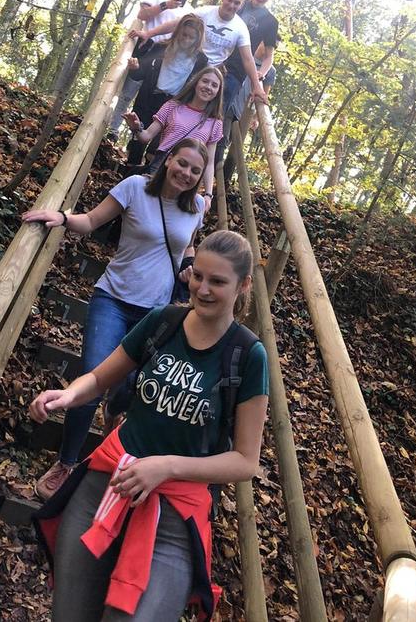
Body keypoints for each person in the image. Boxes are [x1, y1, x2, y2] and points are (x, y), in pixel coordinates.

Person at [29, 230, 269, 622]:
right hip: (107, 483)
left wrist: (165, 467)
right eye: (197, 276)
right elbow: (100, 377)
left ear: (243, 285)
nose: (202, 289)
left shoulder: (247, 355)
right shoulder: (163, 322)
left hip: (175, 511)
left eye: (217, 281)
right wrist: (68, 395)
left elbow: (245, 461)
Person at [22, 138, 208, 500]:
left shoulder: (196, 206)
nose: (186, 173)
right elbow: (93, 220)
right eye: (182, 163)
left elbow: (188, 245)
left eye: (195, 170)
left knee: (135, 384)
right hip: (114, 298)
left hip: (156, 312)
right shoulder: (135, 187)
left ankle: (115, 408)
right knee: (93, 374)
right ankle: (66, 463)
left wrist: (189, 266)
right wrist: (62, 218)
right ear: (169, 159)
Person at [131, 0, 268, 112]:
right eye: (229, 0)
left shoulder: (240, 28)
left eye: (237, 3)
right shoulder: (205, 12)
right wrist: (149, 33)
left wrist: (256, 86)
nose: (232, 5)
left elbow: (247, 59)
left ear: (241, 5)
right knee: (167, 100)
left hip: (210, 73)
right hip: (189, 67)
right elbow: (177, 23)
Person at [107, 0, 197, 140]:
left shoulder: (189, 11)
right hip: (145, 46)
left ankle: (135, 139)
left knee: (147, 99)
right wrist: (166, 5)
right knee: (128, 92)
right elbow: (142, 15)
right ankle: (112, 130)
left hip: (164, 57)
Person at [123, 66, 224, 214]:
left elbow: (209, 162)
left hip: (189, 176)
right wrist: (137, 127)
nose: (208, 87)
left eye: (214, 85)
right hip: (161, 166)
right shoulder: (172, 106)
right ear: (196, 82)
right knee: (144, 210)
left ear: (218, 92)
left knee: (172, 216)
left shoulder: (215, 123)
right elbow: (146, 136)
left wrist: (208, 195)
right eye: (205, 81)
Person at [125, 14, 208, 168]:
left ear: (197, 40)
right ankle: (128, 172)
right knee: (138, 141)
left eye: (191, 37)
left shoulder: (200, 61)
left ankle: (149, 174)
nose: (186, 40)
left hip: (173, 105)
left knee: (158, 147)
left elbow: (197, 88)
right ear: (178, 32)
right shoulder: (161, 48)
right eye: (184, 35)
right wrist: (135, 67)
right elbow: (140, 73)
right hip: (149, 98)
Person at [217, 0, 280, 163]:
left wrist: (260, 74)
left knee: (218, 115)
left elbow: (268, 56)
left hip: (236, 71)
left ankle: (206, 165)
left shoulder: (270, 22)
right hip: (215, 60)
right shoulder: (238, 3)